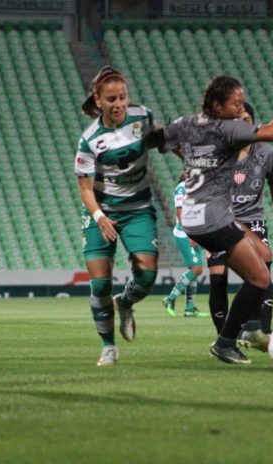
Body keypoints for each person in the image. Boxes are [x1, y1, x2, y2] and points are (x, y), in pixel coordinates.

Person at [159, 75, 273, 364]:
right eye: (236, 105)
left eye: (244, 107)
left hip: (211, 217)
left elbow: (162, 139)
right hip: (213, 219)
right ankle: (226, 340)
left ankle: (249, 329)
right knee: (258, 278)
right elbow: (272, 132)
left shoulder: (196, 126)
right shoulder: (226, 130)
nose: (241, 112)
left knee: (264, 255)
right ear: (218, 106)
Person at [75, 65, 160, 367]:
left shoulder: (143, 117)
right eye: (111, 99)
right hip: (102, 211)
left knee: (147, 275)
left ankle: (124, 303)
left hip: (138, 209)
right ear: (98, 101)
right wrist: (99, 216)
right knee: (100, 284)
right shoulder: (89, 139)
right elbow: (85, 189)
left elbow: (162, 140)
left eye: (122, 97)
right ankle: (108, 347)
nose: (119, 104)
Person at [206, 102, 273, 352]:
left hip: (253, 221)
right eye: (237, 120)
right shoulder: (217, 153)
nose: (242, 124)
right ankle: (225, 337)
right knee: (217, 277)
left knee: (263, 270)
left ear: (254, 123)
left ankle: (260, 328)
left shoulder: (265, 153)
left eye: (246, 120)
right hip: (221, 221)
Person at [162, 173, 210, 318]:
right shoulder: (181, 188)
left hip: (195, 233)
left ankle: (190, 308)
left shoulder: (194, 189)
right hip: (185, 233)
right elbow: (180, 213)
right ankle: (170, 298)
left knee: (194, 269)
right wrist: (190, 234)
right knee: (197, 269)